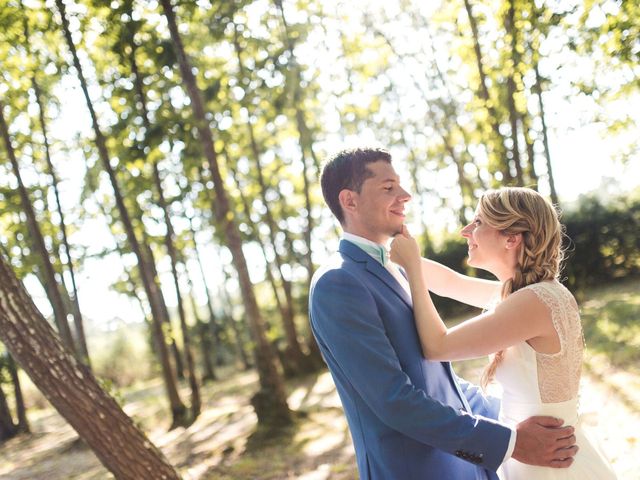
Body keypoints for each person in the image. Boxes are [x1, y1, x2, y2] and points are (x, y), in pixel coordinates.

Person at [309, 147, 577, 480]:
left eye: (401, 186)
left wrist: (510, 427)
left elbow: (440, 380)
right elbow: (394, 400)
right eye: (388, 188)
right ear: (349, 201)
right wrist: (510, 442)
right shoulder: (338, 283)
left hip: (471, 464)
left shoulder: (403, 269)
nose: (405, 196)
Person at [390, 186, 616, 479]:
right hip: (541, 453)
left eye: (478, 222)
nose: (465, 231)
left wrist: (410, 266)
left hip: (547, 465)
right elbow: (451, 283)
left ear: (511, 238)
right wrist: (395, 251)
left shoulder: (532, 302)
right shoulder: (532, 295)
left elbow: (437, 346)